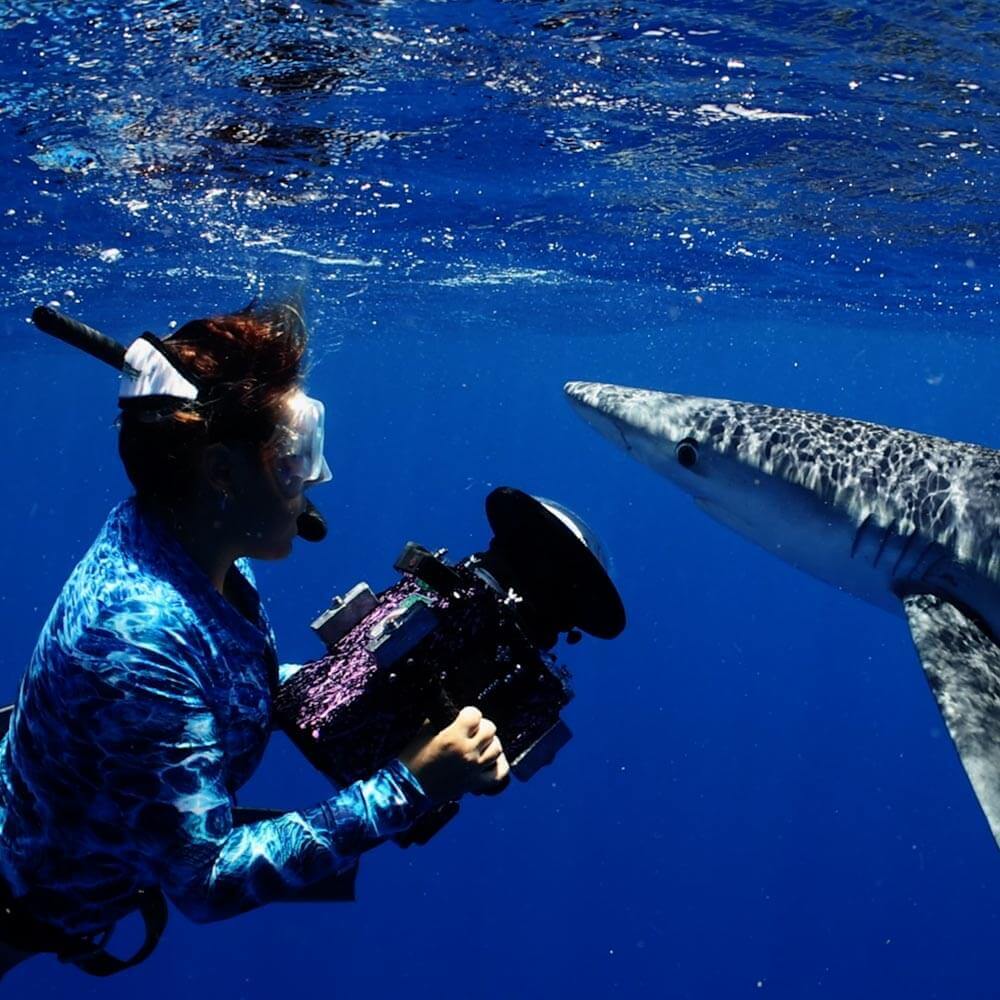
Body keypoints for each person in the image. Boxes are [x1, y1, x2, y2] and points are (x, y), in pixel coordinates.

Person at [0, 302, 509, 979]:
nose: (316, 479)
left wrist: (365, 686)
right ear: (220, 474)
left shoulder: (196, 543)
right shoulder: (135, 642)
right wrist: (409, 786)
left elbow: (215, 682)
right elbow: (206, 884)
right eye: (295, 458)